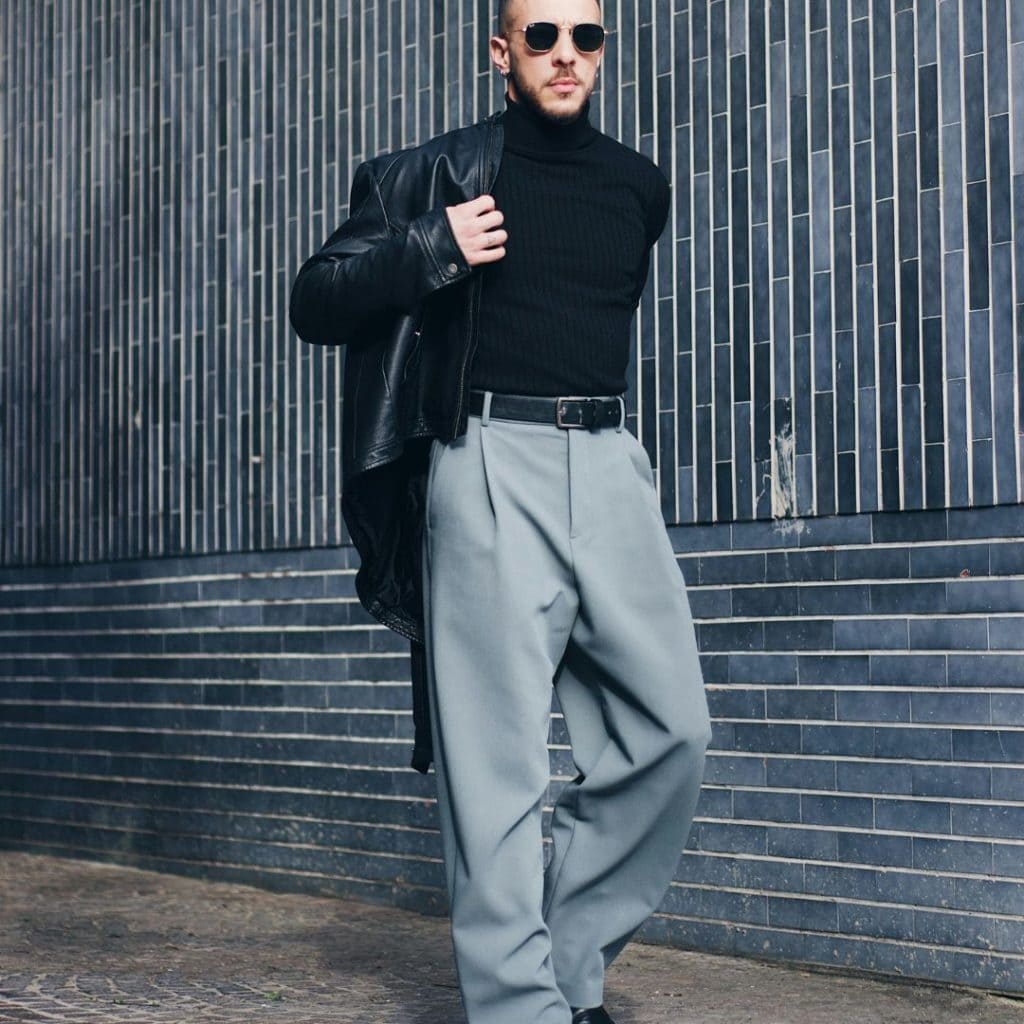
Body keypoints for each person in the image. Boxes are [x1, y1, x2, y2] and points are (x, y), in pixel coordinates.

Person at [289, 1, 712, 1021]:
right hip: (486, 467)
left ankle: (564, 968)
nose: (565, 56)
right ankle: (521, 1008)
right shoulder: (434, 175)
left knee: (673, 734)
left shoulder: (637, 187)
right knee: (497, 772)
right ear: (501, 52)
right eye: (541, 37)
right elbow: (315, 298)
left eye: (586, 37)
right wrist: (429, 247)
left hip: (611, 465)